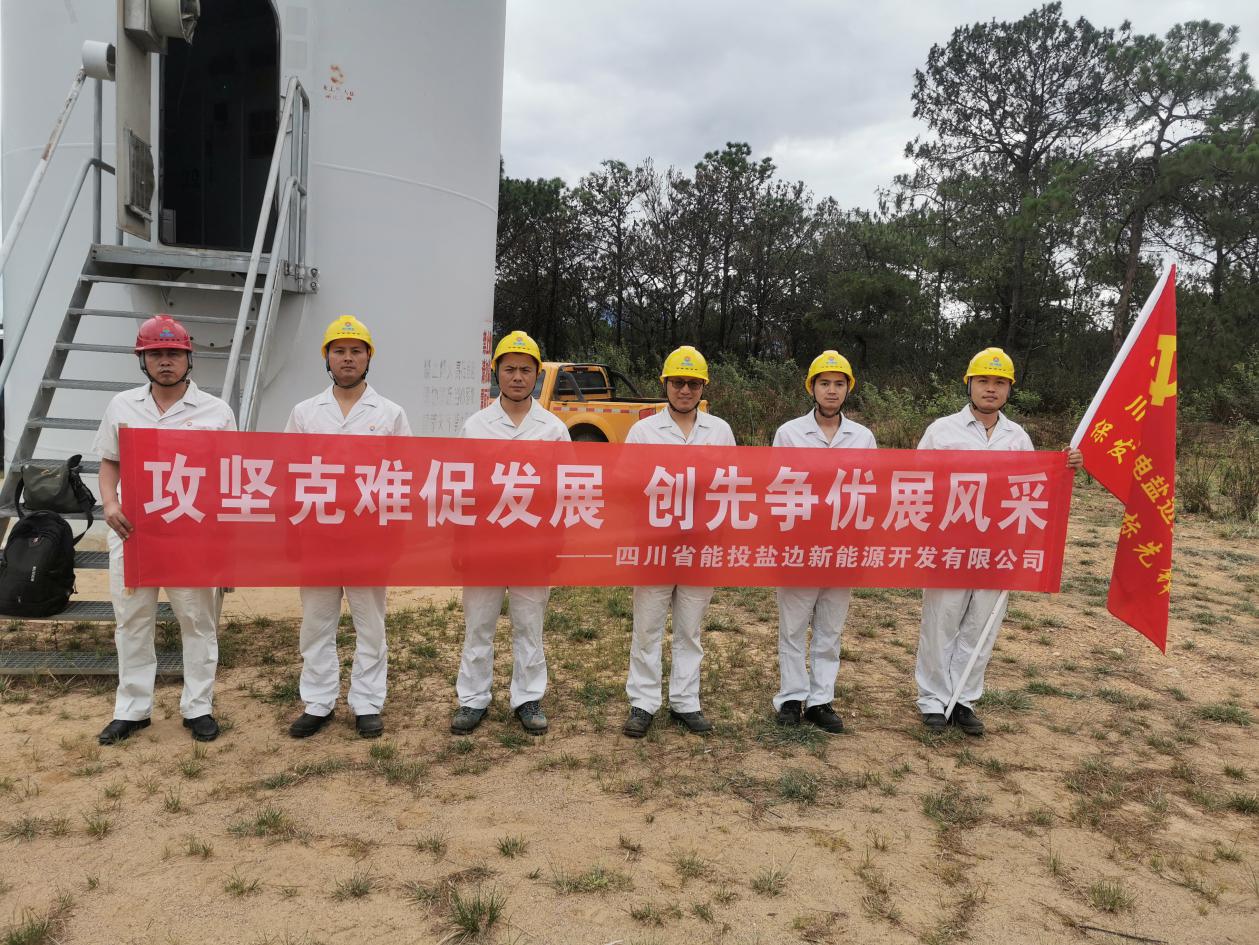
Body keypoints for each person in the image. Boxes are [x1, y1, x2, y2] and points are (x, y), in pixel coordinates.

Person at [915, 347, 1083, 735]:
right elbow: (918, 480)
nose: (991, 389)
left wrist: (1065, 467)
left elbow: (1033, 487)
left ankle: (963, 699)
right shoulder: (942, 431)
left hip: (998, 546)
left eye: (999, 383)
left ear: (1009, 389)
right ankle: (933, 700)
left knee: (981, 625)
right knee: (941, 621)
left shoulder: (1017, 437)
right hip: (951, 543)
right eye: (983, 381)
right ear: (969, 385)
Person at [93, 315, 237, 745]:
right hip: (134, 533)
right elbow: (109, 462)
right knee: (132, 621)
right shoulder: (122, 406)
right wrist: (110, 503)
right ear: (143, 360)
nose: (166, 361)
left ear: (189, 358)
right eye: (156, 354)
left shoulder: (216, 412)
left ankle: (198, 707)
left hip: (190, 535)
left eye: (174, 353)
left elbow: (230, 473)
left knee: (197, 620)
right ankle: (132, 709)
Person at [285, 316, 411, 740]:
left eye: (356, 351)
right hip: (317, 537)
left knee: (370, 625)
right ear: (326, 357)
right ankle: (318, 702)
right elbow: (288, 475)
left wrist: (394, 537)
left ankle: (367, 703)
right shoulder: (305, 413)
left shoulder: (390, 414)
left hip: (368, 539)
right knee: (316, 624)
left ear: (369, 357)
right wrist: (292, 536)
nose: (348, 358)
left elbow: (405, 478)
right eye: (339, 351)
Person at [451, 330, 570, 737]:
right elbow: (461, 490)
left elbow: (565, 491)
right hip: (484, 545)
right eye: (509, 369)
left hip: (532, 545)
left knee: (529, 626)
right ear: (496, 373)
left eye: (525, 370)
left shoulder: (553, 429)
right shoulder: (475, 426)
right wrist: (460, 542)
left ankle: (528, 698)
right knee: (478, 625)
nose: (517, 377)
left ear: (537, 375)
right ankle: (472, 699)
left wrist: (556, 543)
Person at [622, 346, 736, 739]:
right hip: (655, 546)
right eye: (677, 382)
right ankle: (643, 703)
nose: (685, 390)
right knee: (647, 628)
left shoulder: (719, 431)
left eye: (693, 383)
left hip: (700, 546)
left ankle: (686, 701)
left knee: (690, 630)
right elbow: (627, 486)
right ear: (665, 384)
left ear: (703, 386)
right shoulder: (643, 431)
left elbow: (731, 484)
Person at [772, 351, 875, 734]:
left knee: (830, 629)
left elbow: (871, 491)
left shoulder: (862, 437)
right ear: (811, 388)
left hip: (842, 545)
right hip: (799, 544)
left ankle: (820, 700)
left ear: (848, 389)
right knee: (793, 626)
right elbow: (775, 487)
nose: (832, 391)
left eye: (839, 384)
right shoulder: (789, 433)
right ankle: (791, 697)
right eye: (824, 383)